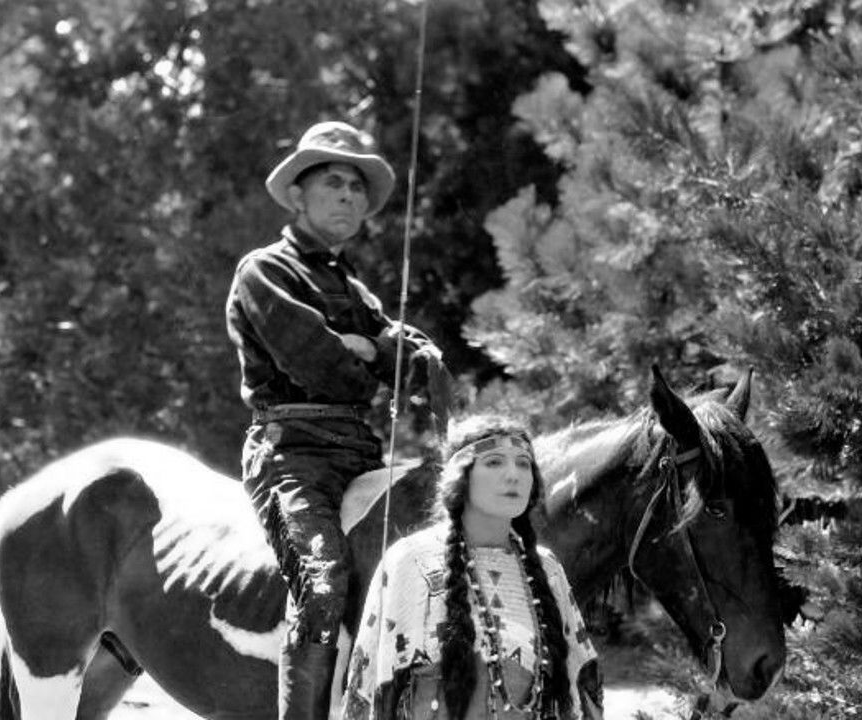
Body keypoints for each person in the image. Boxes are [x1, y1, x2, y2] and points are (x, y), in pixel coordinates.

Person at [225, 120, 447, 720]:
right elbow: (321, 366)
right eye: (333, 182)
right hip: (292, 454)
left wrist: (372, 347)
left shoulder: (354, 288)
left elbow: (412, 358)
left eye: (356, 184)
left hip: (360, 455)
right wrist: (365, 354)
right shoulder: (264, 271)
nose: (348, 194)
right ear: (298, 194)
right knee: (324, 589)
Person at [342, 415, 604, 720]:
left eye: (523, 463)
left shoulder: (547, 569)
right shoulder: (411, 561)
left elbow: (580, 686)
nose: (513, 475)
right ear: (460, 476)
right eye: (494, 462)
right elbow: (372, 679)